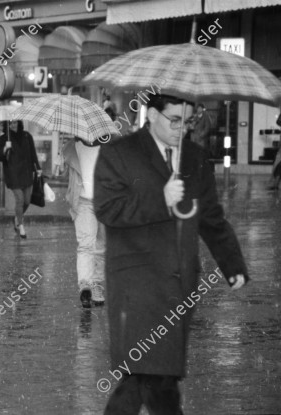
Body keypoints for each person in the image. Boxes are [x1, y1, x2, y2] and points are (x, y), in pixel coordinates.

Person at [93, 94, 249, 415]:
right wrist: (160, 199)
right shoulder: (118, 153)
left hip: (179, 287)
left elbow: (211, 218)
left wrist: (232, 263)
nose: (182, 129)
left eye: (187, 121)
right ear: (151, 114)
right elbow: (107, 209)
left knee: (157, 380)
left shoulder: (195, 158)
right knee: (143, 377)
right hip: (135, 288)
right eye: (174, 120)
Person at [62, 136, 105, 308]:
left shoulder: (109, 147)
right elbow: (65, 174)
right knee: (86, 244)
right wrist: (61, 162)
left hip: (105, 201)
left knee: (101, 246)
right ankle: (85, 285)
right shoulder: (71, 147)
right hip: (82, 201)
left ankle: (97, 285)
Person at [0, 121, 41, 238]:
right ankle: (20, 225)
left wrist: (38, 168)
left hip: (27, 172)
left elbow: (33, 153)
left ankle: (17, 217)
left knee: (27, 200)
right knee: (19, 199)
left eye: (15, 123)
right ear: (6, 125)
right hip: (13, 174)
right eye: (10, 124)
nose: (13, 125)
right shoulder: (3, 139)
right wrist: (5, 148)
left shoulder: (27, 136)